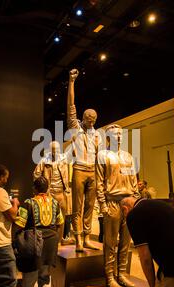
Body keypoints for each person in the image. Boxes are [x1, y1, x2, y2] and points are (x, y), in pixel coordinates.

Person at [96, 124, 139, 287]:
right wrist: (103, 204)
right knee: (110, 242)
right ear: (108, 138)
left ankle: (121, 274)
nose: (119, 137)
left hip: (128, 203)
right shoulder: (103, 155)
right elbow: (99, 182)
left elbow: (134, 181)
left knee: (126, 242)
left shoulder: (128, 157)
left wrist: (135, 201)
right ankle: (109, 276)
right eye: (115, 135)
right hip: (112, 202)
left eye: (121, 134)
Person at [67, 68, 102, 252]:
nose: (91, 120)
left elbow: (100, 158)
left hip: (92, 172)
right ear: (83, 117)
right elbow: (71, 106)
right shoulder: (75, 128)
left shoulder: (97, 135)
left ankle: (87, 237)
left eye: (94, 118)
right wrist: (72, 82)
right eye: (88, 117)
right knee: (77, 206)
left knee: (90, 206)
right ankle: (78, 239)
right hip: (79, 169)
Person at [13, 177, 64, 287]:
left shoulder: (28, 203)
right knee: (45, 276)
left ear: (34, 188)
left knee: (30, 277)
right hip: (51, 244)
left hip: (34, 245)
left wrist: (16, 241)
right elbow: (60, 222)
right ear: (47, 189)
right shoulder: (55, 203)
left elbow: (19, 225)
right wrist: (58, 240)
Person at [33, 141, 74, 245]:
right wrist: (42, 189)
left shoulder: (63, 159)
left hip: (61, 193)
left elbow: (73, 151)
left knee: (62, 218)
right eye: (54, 150)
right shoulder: (44, 161)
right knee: (49, 218)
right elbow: (36, 175)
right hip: (49, 193)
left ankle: (60, 240)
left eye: (58, 150)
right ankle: (50, 241)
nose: (56, 152)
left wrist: (75, 140)